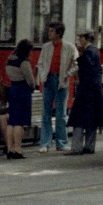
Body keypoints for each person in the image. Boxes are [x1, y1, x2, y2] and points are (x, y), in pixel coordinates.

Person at [36, 21, 78, 153]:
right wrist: (43, 75)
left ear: (59, 33)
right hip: (48, 80)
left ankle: (61, 142)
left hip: (62, 81)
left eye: (52, 31)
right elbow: (40, 63)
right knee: (46, 112)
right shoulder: (46, 47)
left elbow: (76, 63)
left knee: (61, 113)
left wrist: (67, 74)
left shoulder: (69, 47)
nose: (49, 33)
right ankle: (45, 143)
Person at [67, 31, 103, 155]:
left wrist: (80, 56)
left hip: (86, 91)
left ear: (87, 39)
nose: (80, 40)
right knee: (91, 120)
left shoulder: (88, 52)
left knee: (78, 119)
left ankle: (76, 147)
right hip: (94, 91)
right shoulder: (95, 51)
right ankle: (89, 146)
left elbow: (86, 68)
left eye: (81, 38)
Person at [4, 39, 35, 159]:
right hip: (23, 90)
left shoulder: (10, 60)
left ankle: (9, 149)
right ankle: (18, 150)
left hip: (13, 89)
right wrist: (32, 87)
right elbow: (31, 80)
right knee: (20, 122)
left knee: (12, 121)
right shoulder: (24, 62)